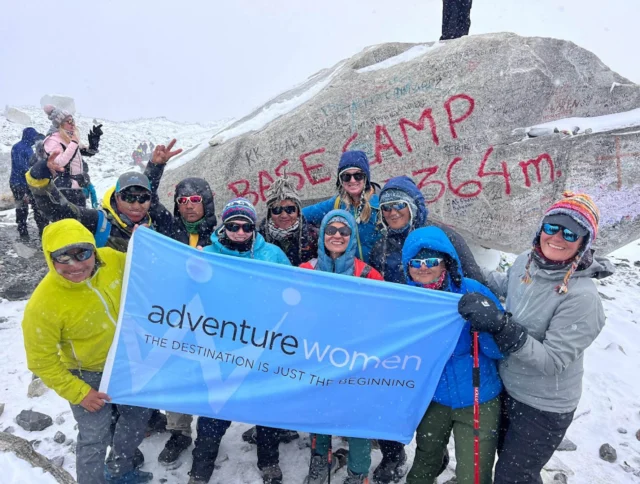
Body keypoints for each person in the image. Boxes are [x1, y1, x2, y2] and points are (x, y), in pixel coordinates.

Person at [458, 192, 614, 484]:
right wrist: (470, 269)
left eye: (571, 232)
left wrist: (503, 328)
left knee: (513, 476)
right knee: (510, 467)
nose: (557, 237)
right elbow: (507, 286)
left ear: (584, 242)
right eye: (551, 227)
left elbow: (553, 361)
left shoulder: (583, 299)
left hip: (545, 407)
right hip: (509, 387)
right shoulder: (525, 263)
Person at [22, 219, 153, 484]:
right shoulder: (43, 304)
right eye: (62, 258)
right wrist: (80, 393)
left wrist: (148, 244)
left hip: (129, 362)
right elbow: (41, 361)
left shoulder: (110, 259)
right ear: (49, 257)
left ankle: (120, 469)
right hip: (87, 375)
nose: (76, 266)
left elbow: (145, 268)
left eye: (83, 253)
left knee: (137, 420)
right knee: (94, 438)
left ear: (94, 249)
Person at [190, 198, 290, 484]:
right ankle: (201, 466)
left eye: (247, 226)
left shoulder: (272, 254)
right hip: (221, 350)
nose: (241, 232)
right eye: (233, 226)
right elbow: (187, 295)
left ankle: (269, 460)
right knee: (214, 411)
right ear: (224, 226)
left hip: (264, 347)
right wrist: (191, 271)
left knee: (266, 407)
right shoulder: (207, 255)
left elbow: (293, 291)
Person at [401, 226, 503, 484]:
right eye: (416, 262)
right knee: (424, 464)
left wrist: (487, 324)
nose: (423, 267)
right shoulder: (406, 301)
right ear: (407, 266)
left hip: (479, 395)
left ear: (446, 261)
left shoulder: (472, 291)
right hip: (433, 397)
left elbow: (499, 348)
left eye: (432, 261)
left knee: (473, 476)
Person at [301, 209, 383, 484]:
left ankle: (358, 473)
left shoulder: (370, 275)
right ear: (322, 235)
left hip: (356, 359)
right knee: (317, 412)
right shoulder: (306, 271)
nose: (337, 235)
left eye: (344, 231)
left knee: (356, 417)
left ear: (352, 236)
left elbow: (384, 320)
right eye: (331, 230)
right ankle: (320, 461)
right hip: (317, 356)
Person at [156, 177, 217, 466]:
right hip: (176, 315)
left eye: (195, 200)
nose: (189, 206)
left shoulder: (222, 232)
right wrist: (156, 167)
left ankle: (209, 432)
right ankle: (179, 432)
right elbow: (150, 203)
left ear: (206, 201)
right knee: (176, 371)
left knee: (209, 374)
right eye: (183, 201)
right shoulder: (168, 230)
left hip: (213, 318)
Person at [27, 140, 181, 252]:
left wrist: (156, 166)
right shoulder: (99, 223)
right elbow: (58, 210)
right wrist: (39, 176)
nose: (136, 205)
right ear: (117, 197)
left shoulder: (158, 220)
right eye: (128, 198)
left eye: (143, 199)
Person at [369, 175, 484, 285]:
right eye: (386, 207)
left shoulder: (443, 237)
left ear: (413, 206)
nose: (393, 212)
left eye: (399, 205)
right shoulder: (381, 247)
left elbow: (473, 278)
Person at [303, 151, 381, 262]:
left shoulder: (381, 205)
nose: (352, 180)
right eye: (346, 176)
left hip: (375, 274)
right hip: (348, 272)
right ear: (341, 180)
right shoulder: (337, 203)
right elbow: (302, 214)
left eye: (358, 176)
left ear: (366, 177)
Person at [42, 105, 102, 207]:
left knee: (80, 218)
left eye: (72, 120)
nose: (72, 123)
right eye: (68, 121)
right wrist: (74, 142)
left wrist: (93, 144)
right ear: (60, 124)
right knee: (69, 219)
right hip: (64, 186)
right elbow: (60, 162)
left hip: (77, 185)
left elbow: (85, 152)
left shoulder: (68, 136)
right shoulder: (52, 140)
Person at [258, 176, 318, 266]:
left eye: (290, 209)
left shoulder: (313, 237)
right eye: (277, 210)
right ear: (270, 213)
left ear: (298, 211)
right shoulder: (259, 239)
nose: (284, 215)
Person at [10, 127, 45, 240]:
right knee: (36, 206)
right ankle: (41, 230)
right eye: (33, 137)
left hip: (15, 182)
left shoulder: (16, 147)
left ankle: (22, 230)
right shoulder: (27, 149)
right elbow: (25, 167)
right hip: (24, 183)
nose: (34, 139)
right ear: (30, 136)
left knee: (21, 206)